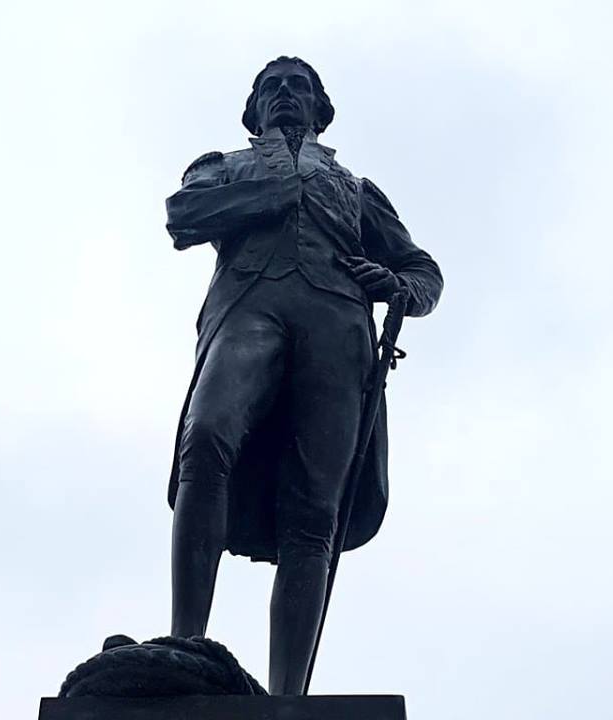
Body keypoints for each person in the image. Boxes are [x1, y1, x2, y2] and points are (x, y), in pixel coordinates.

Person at [164, 56, 443, 695]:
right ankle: (184, 645)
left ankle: (290, 697)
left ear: (320, 109)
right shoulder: (223, 165)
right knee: (205, 439)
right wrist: (278, 191)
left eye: (299, 87)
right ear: (253, 109)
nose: (285, 95)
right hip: (248, 308)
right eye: (272, 87)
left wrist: (399, 287)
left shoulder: (357, 188)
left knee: (314, 509)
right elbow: (184, 214)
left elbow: (424, 270)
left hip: (339, 330)